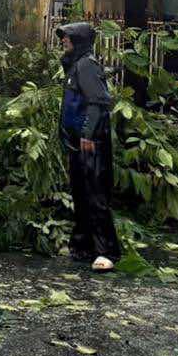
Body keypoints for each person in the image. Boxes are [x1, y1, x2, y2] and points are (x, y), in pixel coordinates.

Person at [57, 21, 120, 272]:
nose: (63, 41)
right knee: (81, 194)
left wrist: (87, 134)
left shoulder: (87, 66)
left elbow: (98, 102)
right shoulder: (75, 65)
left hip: (91, 143)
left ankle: (107, 251)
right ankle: (83, 246)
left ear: (79, 41)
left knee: (95, 195)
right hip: (77, 143)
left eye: (67, 38)